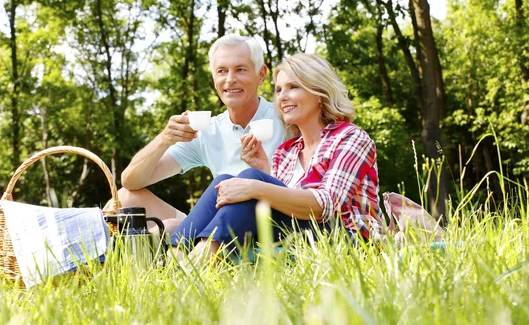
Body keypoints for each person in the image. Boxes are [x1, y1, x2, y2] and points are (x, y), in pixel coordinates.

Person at [170, 53, 384, 259]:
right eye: (279, 90)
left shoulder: (350, 138)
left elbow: (324, 206)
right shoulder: (287, 151)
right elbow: (281, 206)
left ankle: (199, 263)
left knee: (249, 182)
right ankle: (175, 258)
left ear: (319, 93)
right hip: (302, 234)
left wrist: (255, 185)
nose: (282, 97)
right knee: (225, 180)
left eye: (293, 87)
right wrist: (264, 170)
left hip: (348, 240)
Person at [108, 34, 284, 233]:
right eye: (221, 71)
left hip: (271, 222)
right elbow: (131, 181)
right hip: (217, 222)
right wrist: (164, 139)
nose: (230, 79)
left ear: (261, 75)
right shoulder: (208, 130)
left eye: (241, 69)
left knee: (167, 229)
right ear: (214, 78)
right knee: (126, 197)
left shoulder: (286, 119)